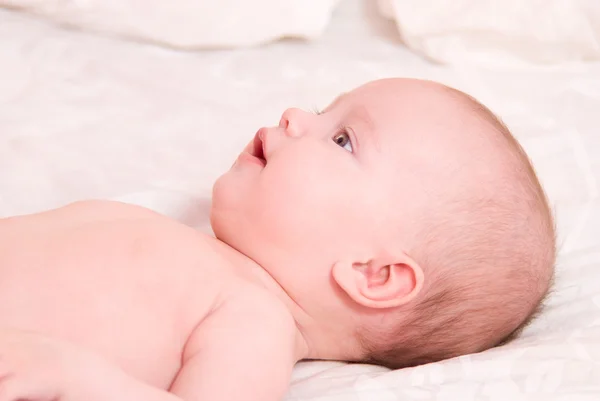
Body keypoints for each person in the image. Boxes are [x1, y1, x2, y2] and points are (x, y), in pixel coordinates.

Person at [0, 78, 555, 401]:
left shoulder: (255, 321)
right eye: (320, 112)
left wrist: (82, 381)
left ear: (373, 274)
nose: (293, 116)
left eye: (342, 140)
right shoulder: (187, 235)